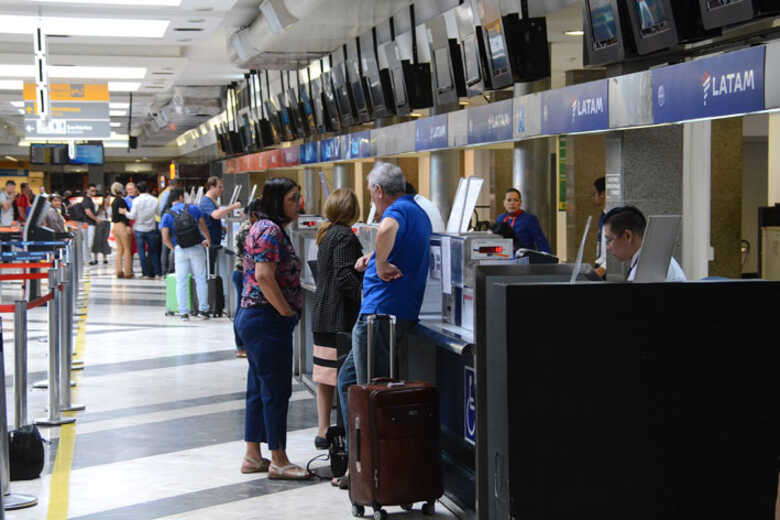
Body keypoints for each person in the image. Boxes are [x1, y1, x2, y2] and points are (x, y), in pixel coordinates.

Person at [335, 162, 432, 488]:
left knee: (369, 397)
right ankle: (357, 463)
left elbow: (387, 228)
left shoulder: (398, 211)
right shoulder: (418, 211)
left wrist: (378, 260)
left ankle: (371, 475)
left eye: (372, 193)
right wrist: (372, 261)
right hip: (392, 313)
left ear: (378, 191)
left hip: (379, 318)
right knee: (348, 381)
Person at [235, 177, 307, 480]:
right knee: (276, 391)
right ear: (277, 200)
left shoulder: (266, 229)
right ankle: (278, 458)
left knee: (258, 388)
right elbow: (264, 277)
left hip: (258, 319)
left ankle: (253, 455)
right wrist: (285, 311)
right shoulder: (270, 231)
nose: (298, 204)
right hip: (266, 320)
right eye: (292, 198)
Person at [311, 188, 363, 450]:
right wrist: (364, 298)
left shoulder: (326, 233)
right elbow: (344, 276)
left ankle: (323, 430)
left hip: (322, 314)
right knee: (341, 375)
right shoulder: (344, 236)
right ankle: (340, 431)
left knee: (324, 375)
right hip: (338, 316)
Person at [160, 188, 211, 320]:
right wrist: (207, 239)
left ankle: (183, 312)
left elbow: (165, 238)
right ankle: (203, 310)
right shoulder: (194, 209)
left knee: (181, 281)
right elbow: (203, 227)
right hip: (196, 247)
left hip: (180, 249)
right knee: (200, 278)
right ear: (182, 197)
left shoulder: (167, 215)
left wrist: (174, 248)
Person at [603, 205, 687, 281]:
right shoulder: (654, 258)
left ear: (628, 236)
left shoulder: (647, 269)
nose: (608, 247)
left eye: (609, 240)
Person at [232, 199, 261, 359]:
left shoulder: (251, 228)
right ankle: (241, 345)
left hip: (244, 272)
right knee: (242, 310)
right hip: (243, 272)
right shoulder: (249, 229)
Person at [199, 176, 242, 275]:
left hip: (214, 241)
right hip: (209, 242)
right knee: (209, 272)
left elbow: (210, 219)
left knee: (212, 270)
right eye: (220, 187)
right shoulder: (206, 201)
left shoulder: (213, 201)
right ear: (211, 187)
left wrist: (223, 228)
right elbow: (216, 215)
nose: (222, 190)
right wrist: (232, 207)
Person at [495, 188, 551, 253]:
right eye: (509, 200)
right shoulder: (500, 219)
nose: (512, 203)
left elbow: (541, 241)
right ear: (504, 203)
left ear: (520, 203)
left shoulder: (529, 219)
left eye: (515, 200)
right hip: (503, 257)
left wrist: (548, 259)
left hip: (524, 258)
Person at [125, 181, 162, 279]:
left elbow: (132, 216)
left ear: (137, 190)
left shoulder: (136, 201)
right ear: (147, 189)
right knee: (153, 252)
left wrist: (125, 212)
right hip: (151, 228)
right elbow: (159, 214)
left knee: (141, 253)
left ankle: (145, 274)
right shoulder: (154, 200)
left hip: (139, 229)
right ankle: (157, 273)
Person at [158, 178, 184, 275]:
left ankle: (166, 270)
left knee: (166, 246)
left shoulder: (164, 193)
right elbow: (163, 209)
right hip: (166, 223)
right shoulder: (167, 194)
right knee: (166, 247)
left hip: (165, 222)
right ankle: (166, 271)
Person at [110, 182, 133, 278]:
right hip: (122, 225)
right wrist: (127, 225)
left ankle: (119, 271)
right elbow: (123, 214)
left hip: (115, 226)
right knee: (127, 249)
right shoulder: (121, 201)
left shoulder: (114, 201)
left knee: (119, 249)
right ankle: (128, 272)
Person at [82, 184, 100, 265]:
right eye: (92, 190)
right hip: (89, 224)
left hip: (88, 224)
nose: (94, 192)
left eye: (95, 190)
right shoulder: (87, 200)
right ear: (87, 190)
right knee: (88, 242)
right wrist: (96, 219)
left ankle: (88, 259)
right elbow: (88, 212)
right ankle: (87, 260)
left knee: (88, 242)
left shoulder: (89, 200)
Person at [92, 191, 112, 265]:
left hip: (107, 223)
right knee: (97, 239)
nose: (109, 200)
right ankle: (95, 258)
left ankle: (105, 258)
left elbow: (110, 216)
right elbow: (95, 214)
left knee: (105, 240)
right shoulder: (98, 206)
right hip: (99, 223)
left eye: (110, 199)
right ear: (104, 199)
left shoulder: (110, 207)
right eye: (108, 198)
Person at [593, 177, 607, 279]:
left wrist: (602, 269)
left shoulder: (610, 218)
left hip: (604, 270)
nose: (593, 197)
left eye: (594, 193)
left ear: (603, 194)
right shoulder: (603, 215)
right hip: (599, 265)